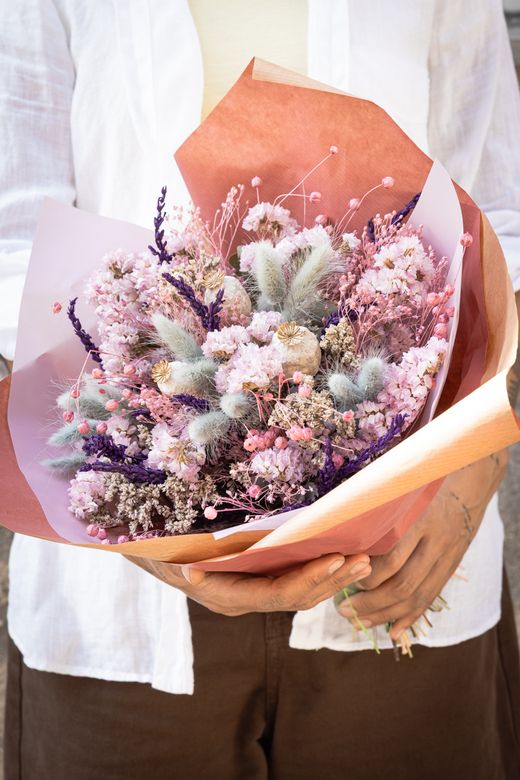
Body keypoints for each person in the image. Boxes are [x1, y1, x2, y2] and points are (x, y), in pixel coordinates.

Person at [1, 1, 520, 778]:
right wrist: (135, 514)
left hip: (403, 567)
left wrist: (474, 472)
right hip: (129, 608)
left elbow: (500, 214)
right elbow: (13, 236)